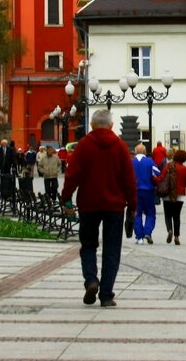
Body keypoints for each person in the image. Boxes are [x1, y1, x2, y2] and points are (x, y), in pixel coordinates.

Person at [60, 108, 136, 308]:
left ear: (92, 126)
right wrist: (133, 206)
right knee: (112, 250)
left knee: (88, 246)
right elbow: (130, 180)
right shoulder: (120, 147)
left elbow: (72, 175)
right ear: (111, 126)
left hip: (88, 205)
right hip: (115, 207)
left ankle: (91, 280)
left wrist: (66, 197)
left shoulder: (83, 146)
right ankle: (106, 295)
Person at [157, 148, 186, 244]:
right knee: (177, 216)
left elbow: (161, 177)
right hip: (179, 195)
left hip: (168, 194)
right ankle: (177, 236)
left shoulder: (168, 166)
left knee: (168, 214)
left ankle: (169, 230)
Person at [131, 143, 160, 244]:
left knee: (137, 214)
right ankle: (147, 232)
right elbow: (157, 173)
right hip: (148, 191)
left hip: (135, 192)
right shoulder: (149, 161)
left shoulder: (131, 162)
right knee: (150, 213)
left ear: (135, 152)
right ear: (145, 152)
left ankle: (139, 238)